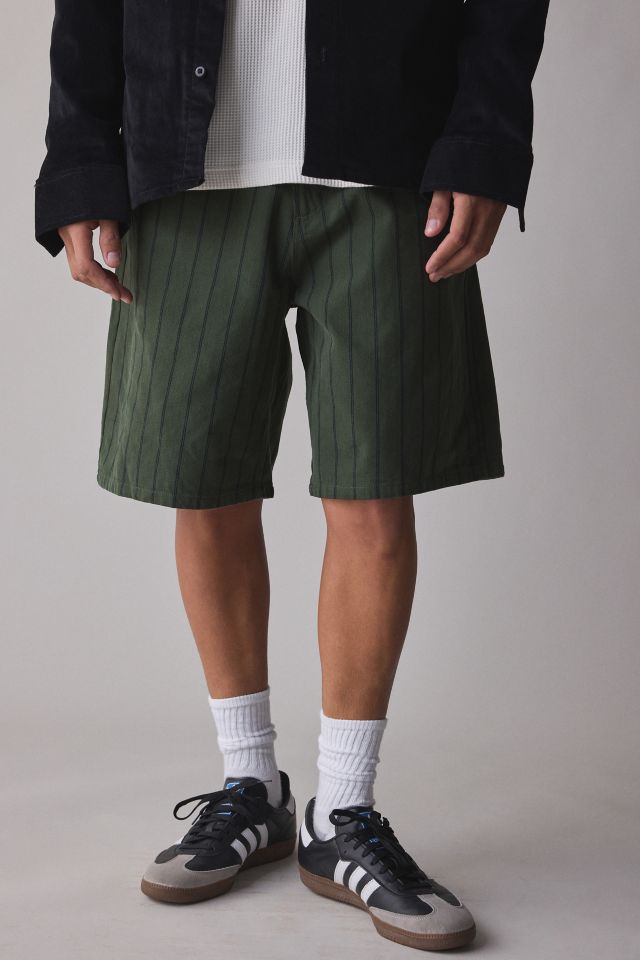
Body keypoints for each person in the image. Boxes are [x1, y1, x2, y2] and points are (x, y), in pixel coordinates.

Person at [34, 0, 549, 951]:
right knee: (203, 485)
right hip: (182, 165)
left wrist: (483, 143)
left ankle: (341, 811)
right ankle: (251, 787)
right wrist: (78, 164)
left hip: (389, 158)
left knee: (375, 492)